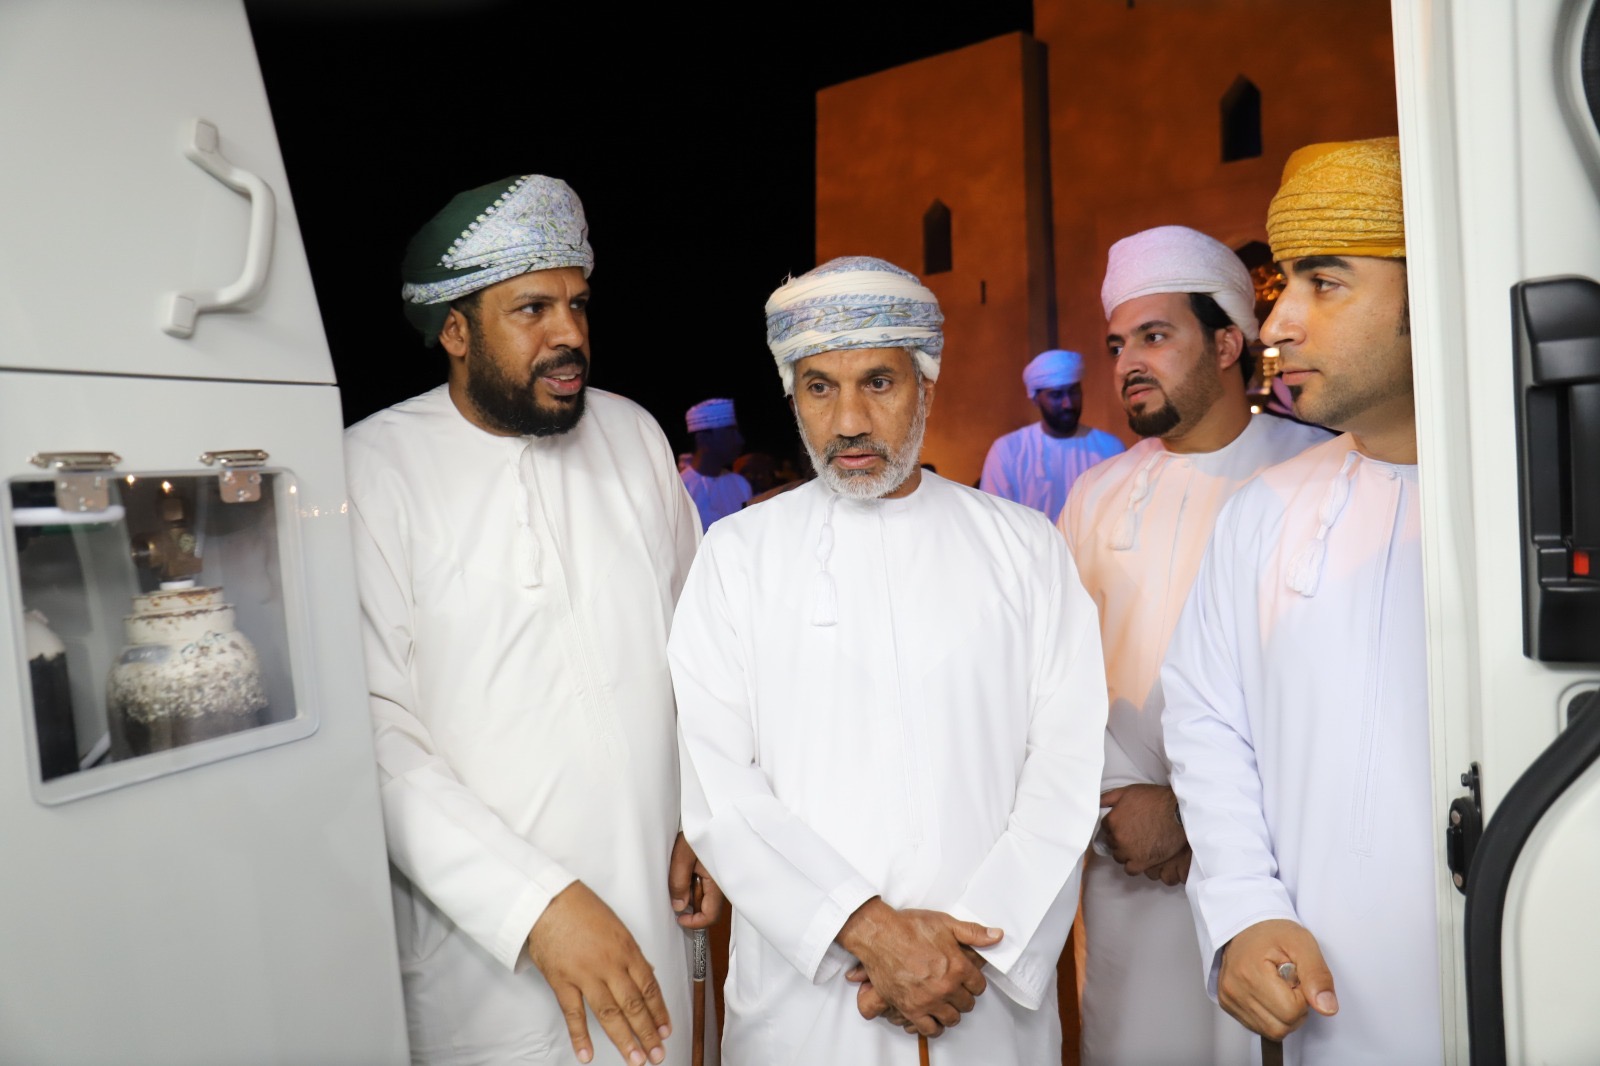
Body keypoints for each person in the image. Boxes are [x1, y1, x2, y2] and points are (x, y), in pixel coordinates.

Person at [668, 255, 1110, 1064]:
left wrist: (969, 952)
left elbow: (1068, 762)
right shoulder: (737, 556)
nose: (848, 422)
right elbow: (718, 784)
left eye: (878, 382)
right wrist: (866, 930)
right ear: (792, 398)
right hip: (810, 1004)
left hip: (981, 990)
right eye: (819, 388)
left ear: (926, 386)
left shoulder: (1024, 550)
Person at [345, 173, 720, 1066]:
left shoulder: (632, 438)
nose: (570, 335)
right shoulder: (370, 470)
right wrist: (535, 905)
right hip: (487, 951)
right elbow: (374, 730)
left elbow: (706, 654)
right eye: (533, 310)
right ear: (455, 331)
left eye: (578, 305)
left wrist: (710, 817)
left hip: (659, 902)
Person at [1160, 136, 1442, 1062]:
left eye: (1326, 283)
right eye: (1285, 287)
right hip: (1313, 1001)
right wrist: (1244, 911)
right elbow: (1207, 722)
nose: (1278, 322)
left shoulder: (1541, 505)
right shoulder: (1265, 509)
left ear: (1436, 286)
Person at [1061, 225, 1331, 1065]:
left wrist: (1199, 813)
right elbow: (1055, 681)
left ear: (1226, 343)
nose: (1127, 364)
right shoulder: (1095, 495)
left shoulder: (1320, 472)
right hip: (1131, 861)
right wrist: (1120, 800)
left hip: (1284, 857)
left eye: (1154, 336)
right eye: (1117, 345)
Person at [980, 349, 1125, 523]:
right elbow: (994, 519)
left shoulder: (1110, 448)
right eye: (1056, 395)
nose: (1068, 404)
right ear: (1035, 399)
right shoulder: (1008, 451)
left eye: (1073, 391)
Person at [681, 398, 752, 530]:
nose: (739, 440)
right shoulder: (681, 489)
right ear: (703, 439)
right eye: (731, 433)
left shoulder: (741, 484)